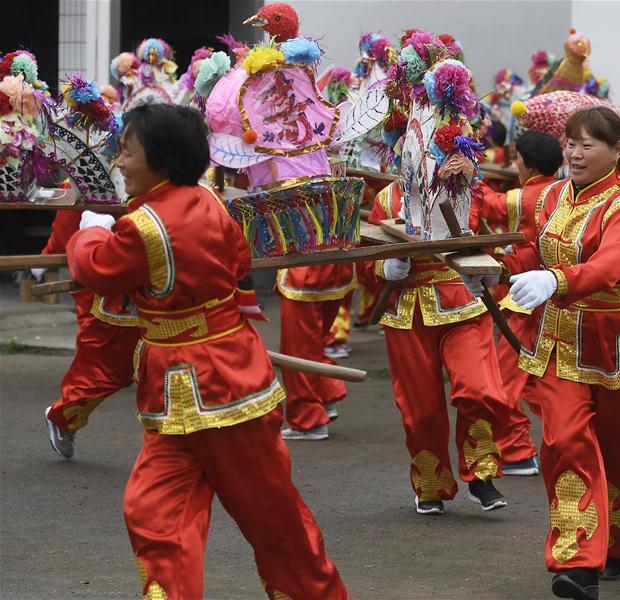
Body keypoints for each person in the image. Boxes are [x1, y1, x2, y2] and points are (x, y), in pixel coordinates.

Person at [65, 104, 347, 599]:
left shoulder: (141, 227)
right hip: (198, 382)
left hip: (216, 386)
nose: (120, 162)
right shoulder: (210, 198)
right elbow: (238, 257)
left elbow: (95, 268)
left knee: (271, 518)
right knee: (154, 512)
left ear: (161, 158)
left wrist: (89, 229)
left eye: (127, 151)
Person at [466, 106, 620, 598]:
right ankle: (578, 562)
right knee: (565, 441)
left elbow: (605, 267)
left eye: (587, 145)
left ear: (616, 151)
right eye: (570, 144)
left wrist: (555, 279)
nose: (574, 154)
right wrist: (497, 270)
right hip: (559, 338)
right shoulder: (552, 194)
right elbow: (535, 250)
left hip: (614, 340)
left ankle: (615, 541)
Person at [369, 180, 512, 516]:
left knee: (480, 389)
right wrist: (384, 266)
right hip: (407, 310)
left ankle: (481, 475)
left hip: (462, 300)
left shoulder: (468, 187)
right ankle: (430, 482)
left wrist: (493, 270)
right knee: (421, 409)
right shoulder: (385, 199)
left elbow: (495, 237)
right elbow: (365, 254)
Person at [476, 130, 563, 476]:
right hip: (558, 297)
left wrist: (470, 178)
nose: (514, 165)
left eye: (517, 159)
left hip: (528, 302)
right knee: (537, 380)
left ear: (527, 163)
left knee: (503, 377)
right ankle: (566, 437)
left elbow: (490, 205)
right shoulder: (565, 190)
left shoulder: (529, 197)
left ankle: (516, 450)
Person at [38, 185, 141, 460]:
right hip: (111, 282)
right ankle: (64, 416)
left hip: (172, 292)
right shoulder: (87, 182)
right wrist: (47, 257)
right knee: (106, 366)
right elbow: (65, 233)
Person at [276, 263, 356, 440]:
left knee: (297, 353)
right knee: (311, 345)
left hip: (304, 272)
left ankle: (308, 419)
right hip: (335, 267)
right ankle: (325, 396)